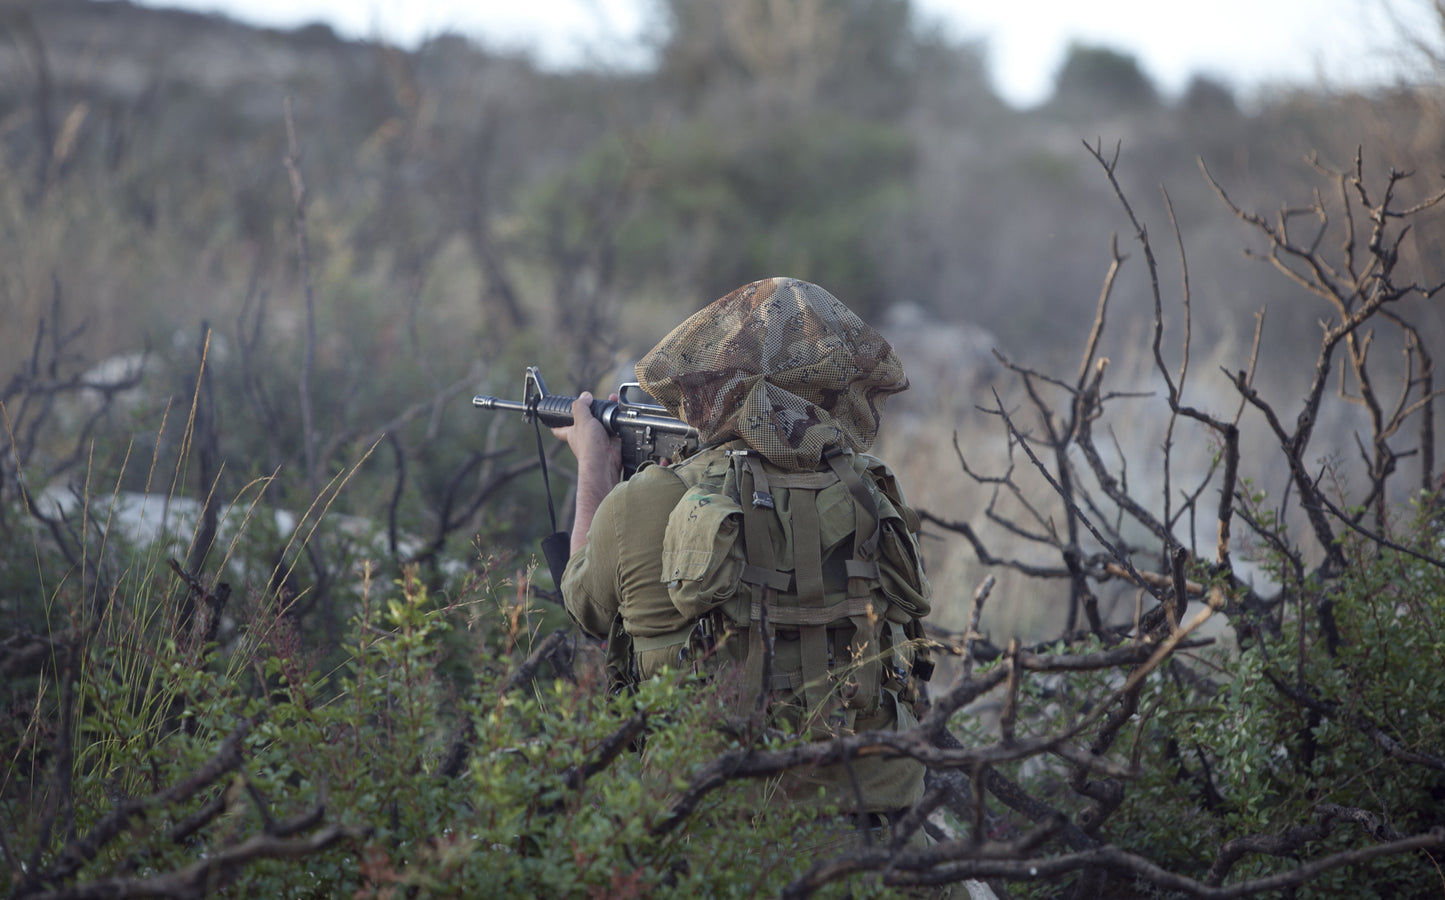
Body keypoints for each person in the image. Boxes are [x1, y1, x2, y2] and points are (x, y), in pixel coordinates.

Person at [552, 276, 933, 823]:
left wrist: (595, 468)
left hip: (714, 840)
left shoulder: (649, 499)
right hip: (877, 834)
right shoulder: (873, 495)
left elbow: (583, 603)